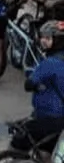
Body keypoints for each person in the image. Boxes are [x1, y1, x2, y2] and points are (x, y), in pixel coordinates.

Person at [17, 21, 64, 151]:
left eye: (48, 38)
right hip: (60, 120)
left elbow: (29, 84)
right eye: (42, 37)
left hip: (48, 117)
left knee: (18, 140)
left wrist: (36, 84)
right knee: (47, 151)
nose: (42, 41)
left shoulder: (50, 63)